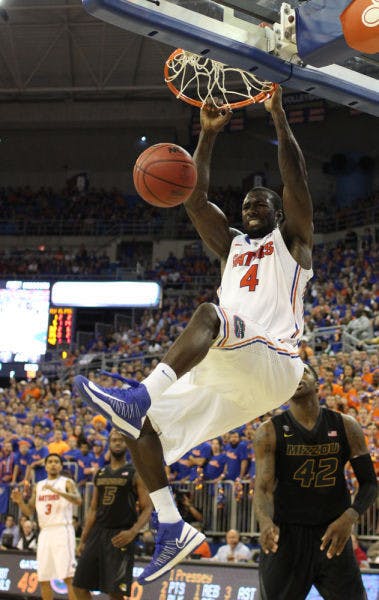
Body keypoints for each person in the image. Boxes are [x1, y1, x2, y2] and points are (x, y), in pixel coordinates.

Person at [75, 85, 314, 584]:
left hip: (276, 363)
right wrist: (206, 135)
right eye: (246, 203)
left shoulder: (292, 242)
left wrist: (277, 117)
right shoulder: (231, 248)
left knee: (209, 314)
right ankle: (170, 525)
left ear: (277, 211)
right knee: (136, 430)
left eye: (261, 202)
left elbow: (295, 179)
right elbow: (195, 196)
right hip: (229, 373)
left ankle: (139, 394)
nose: (251, 206)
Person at [254, 364, 377, 600]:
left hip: (332, 534)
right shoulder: (268, 432)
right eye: (289, 374)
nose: (297, 377)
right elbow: (262, 488)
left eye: (304, 372)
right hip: (287, 536)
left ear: (318, 384)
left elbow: (370, 483)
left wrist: (349, 517)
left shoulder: (346, 425)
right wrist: (265, 521)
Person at [73, 429, 152, 600]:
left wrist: (133, 532)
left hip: (121, 534)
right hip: (98, 533)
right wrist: (84, 539)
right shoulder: (100, 473)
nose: (117, 443)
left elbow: (147, 508)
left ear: (128, 445)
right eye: (114, 440)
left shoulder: (136, 472)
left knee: (115, 593)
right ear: (108, 444)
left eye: (121, 440)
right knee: (79, 586)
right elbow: (93, 509)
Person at [11, 453, 82, 600]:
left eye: (56, 462)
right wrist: (19, 502)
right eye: (50, 462)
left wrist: (58, 492)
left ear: (61, 466)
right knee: (43, 578)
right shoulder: (39, 486)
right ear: (45, 465)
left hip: (62, 530)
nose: (53, 464)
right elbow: (29, 511)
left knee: (69, 577)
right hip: (44, 533)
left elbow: (78, 500)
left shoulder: (67, 482)